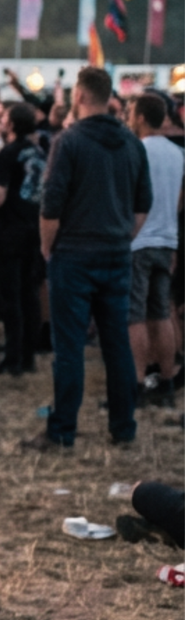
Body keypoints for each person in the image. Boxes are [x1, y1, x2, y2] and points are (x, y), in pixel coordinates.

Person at [22, 67, 152, 451]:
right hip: (116, 253)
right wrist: (123, 236)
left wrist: (47, 246)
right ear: (109, 97)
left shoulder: (69, 141)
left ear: (79, 96)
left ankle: (62, 429)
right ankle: (123, 426)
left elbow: (51, 204)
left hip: (74, 254)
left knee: (69, 347)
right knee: (117, 344)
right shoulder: (132, 143)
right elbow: (143, 204)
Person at [0, 102, 47, 377]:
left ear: (10, 124)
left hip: (9, 231)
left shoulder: (8, 153)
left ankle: (13, 358)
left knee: (10, 297)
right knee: (29, 294)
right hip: (33, 227)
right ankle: (28, 355)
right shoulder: (39, 151)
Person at [127, 93, 182, 405]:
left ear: (141, 117)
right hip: (167, 239)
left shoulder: (137, 150)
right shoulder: (177, 153)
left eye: (131, 113)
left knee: (133, 316)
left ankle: (136, 385)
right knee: (161, 313)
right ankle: (167, 380)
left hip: (139, 239)